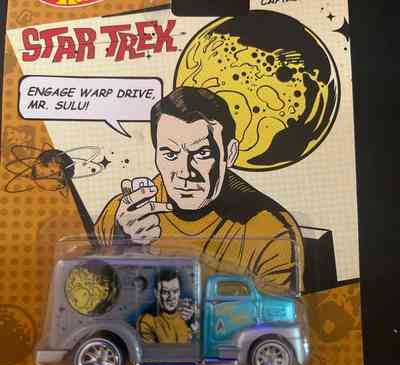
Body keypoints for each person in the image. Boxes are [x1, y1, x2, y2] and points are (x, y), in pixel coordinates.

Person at [95, 87, 304, 291]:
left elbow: (278, 311)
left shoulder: (271, 230)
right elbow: (89, 294)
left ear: (230, 153)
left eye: (202, 153)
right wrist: (121, 248)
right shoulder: (124, 216)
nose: (185, 172)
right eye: (170, 154)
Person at [137, 269, 195, 344]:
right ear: (156, 293)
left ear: (180, 292)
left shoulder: (188, 311)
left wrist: (193, 320)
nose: (171, 297)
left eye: (175, 291)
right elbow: (150, 350)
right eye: (165, 292)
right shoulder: (147, 320)